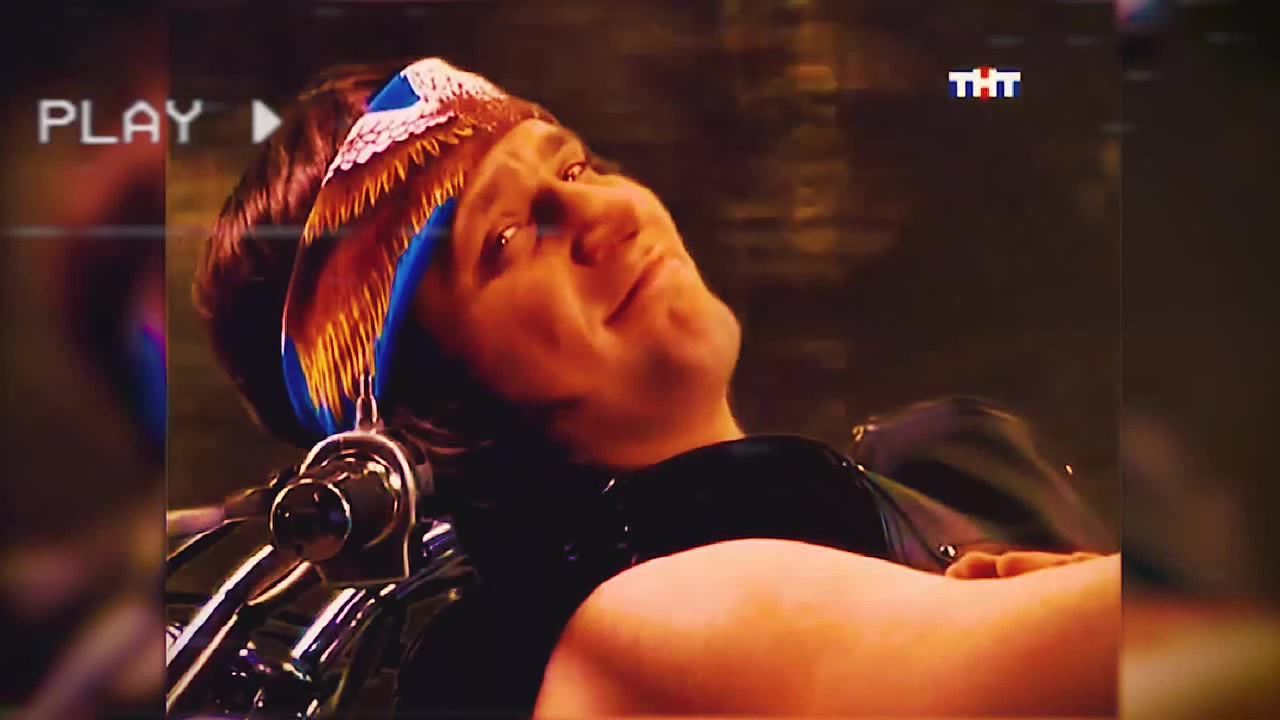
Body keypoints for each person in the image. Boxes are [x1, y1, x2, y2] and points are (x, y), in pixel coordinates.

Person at [194, 57, 1118, 717]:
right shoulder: (630, 629)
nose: (602, 211)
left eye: (573, 165)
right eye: (505, 240)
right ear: (431, 419)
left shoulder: (931, 476)